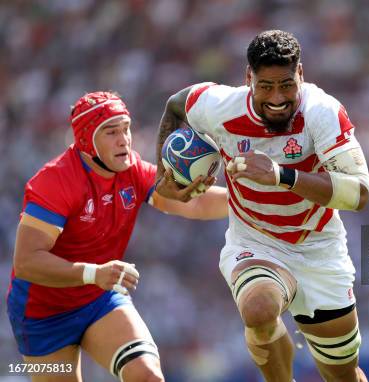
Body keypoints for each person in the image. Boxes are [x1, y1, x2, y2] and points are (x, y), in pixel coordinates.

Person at [155, 30, 369, 382]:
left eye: (286, 85)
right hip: (255, 241)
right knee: (258, 309)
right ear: (248, 79)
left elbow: (360, 193)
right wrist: (165, 173)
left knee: (343, 374)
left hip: (318, 247)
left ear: (301, 74)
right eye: (265, 86)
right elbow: (175, 105)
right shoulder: (219, 107)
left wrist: (283, 176)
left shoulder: (322, 112)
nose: (277, 98)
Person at [6, 91, 228, 382]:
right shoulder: (53, 181)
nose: (124, 139)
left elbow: (193, 202)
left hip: (99, 298)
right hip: (42, 316)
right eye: (112, 132)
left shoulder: (132, 169)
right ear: (87, 139)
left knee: (147, 376)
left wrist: (248, 200)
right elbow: (26, 262)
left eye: (126, 128)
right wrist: (93, 273)